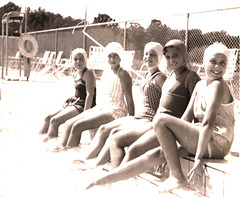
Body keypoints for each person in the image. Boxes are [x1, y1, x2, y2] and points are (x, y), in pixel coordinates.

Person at [85, 39, 201, 189]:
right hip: (157, 126)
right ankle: (115, 179)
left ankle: (116, 183)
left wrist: (184, 140)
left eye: (175, 56)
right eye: (168, 57)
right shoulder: (171, 75)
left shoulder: (190, 77)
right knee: (125, 143)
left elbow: (195, 109)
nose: (171, 60)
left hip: (170, 129)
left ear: (184, 56)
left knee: (133, 149)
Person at [153, 42, 234, 193]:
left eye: (222, 63)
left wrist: (198, 158)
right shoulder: (201, 85)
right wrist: (168, 150)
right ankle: (110, 181)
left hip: (218, 143)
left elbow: (208, 124)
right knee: (160, 153)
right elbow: (186, 117)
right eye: (213, 62)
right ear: (204, 62)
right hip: (208, 139)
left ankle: (177, 177)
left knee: (160, 119)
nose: (217, 67)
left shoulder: (219, 85)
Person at [84, 42, 166, 162]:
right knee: (104, 129)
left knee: (115, 134)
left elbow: (166, 103)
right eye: (146, 53)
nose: (148, 57)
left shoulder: (160, 77)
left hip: (150, 119)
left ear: (159, 57)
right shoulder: (148, 75)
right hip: (140, 117)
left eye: (152, 54)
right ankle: (91, 163)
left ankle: (100, 167)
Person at [55, 42, 134, 150]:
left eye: (115, 56)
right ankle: (62, 149)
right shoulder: (107, 71)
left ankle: (71, 155)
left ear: (121, 57)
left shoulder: (123, 74)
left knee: (78, 126)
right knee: (69, 123)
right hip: (103, 107)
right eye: (109, 56)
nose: (112, 59)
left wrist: (131, 121)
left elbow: (130, 100)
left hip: (116, 110)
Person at [39, 48, 97, 140]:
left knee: (54, 121)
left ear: (86, 60)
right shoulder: (75, 71)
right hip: (74, 101)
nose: (78, 62)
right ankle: (40, 140)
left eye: (81, 59)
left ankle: (50, 144)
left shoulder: (88, 72)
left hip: (83, 104)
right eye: (75, 59)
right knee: (48, 118)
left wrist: (84, 115)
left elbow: (90, 95)